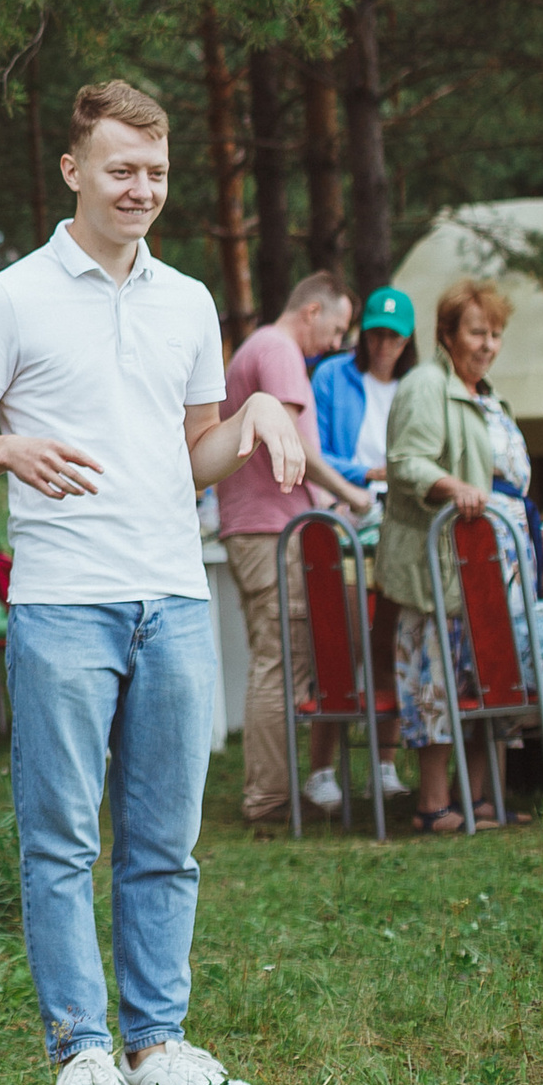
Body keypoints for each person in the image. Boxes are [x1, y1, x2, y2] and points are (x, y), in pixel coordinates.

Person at [0, 76, 306, 1085]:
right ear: (74, 170)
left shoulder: (187, 300)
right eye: (121, 169)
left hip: (173, 597)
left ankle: (157, 1044)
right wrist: (6, 448)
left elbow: (193, 453)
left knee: (166, 841)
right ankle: (81, 1054)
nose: (140, 188)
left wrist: (254, 415)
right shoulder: (8, 297)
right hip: (61, 605)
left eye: (156, 172)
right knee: (60, 844)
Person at [214, 270, 376, 830]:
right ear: (312, 311)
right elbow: (297, 445)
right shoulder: (279, 351)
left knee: (279, 657)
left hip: (260, 527)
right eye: (337, 328)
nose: (337, 343)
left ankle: (274, 791)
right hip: (270, 533)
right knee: (280, 660)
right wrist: (352, 494)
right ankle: (269, 800)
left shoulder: (261, 348)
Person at [377, 276, 520, 835]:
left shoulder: (484, 392)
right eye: (477, 333)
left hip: (485, 564)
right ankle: (433, 805)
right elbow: (406, 461)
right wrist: (455, 487)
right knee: (432, 682)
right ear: (447, 334)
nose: (488, 345)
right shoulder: (426, 385)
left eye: (496, 334)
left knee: (481, 676)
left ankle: (476, 798)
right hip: (435, 565)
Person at [315, 286, 415, 484]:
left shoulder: (417, 386)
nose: (383, 344)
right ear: (363, 333)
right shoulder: (331, 375)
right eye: (377, 333)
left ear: (406, 340)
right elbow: (313, 451)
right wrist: (366, 473)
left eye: (393, 336)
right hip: (343, 493)